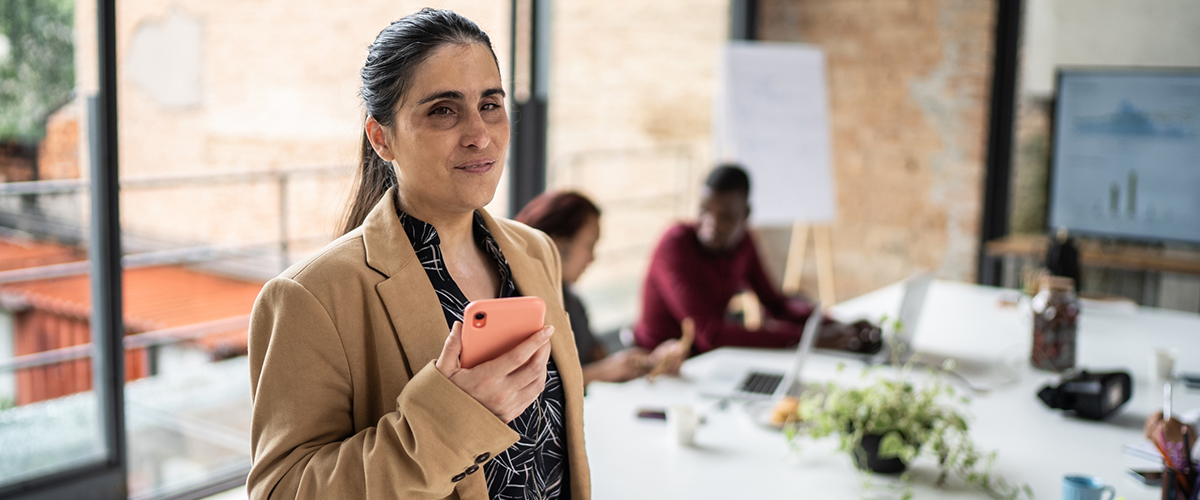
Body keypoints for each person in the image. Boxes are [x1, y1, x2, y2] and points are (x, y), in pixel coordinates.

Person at [247, 9, 588, 500]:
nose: (479, 133)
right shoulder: (312, 298)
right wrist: (452, 416)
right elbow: (283, 492)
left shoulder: (536, 252)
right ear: (381, 137)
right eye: (443, 111)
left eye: (490, 104)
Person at [634, 164, 880, 355]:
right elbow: (711, 335)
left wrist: (834, 325)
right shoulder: (675, 245)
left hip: (708, 360)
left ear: (747, 214)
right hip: (659, 364)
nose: (711, 225)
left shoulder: (743, 244)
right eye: (704, 211)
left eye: (726, 217)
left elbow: (775, 304)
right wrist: (809, 340)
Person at [515, 191, 685, 386]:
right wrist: (607, 371)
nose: (592, 258)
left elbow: (598, 358)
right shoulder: (524, 309)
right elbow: (537, 388)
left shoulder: (572, 302)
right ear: (558, 245)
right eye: (589, 245)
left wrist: (649, 361)